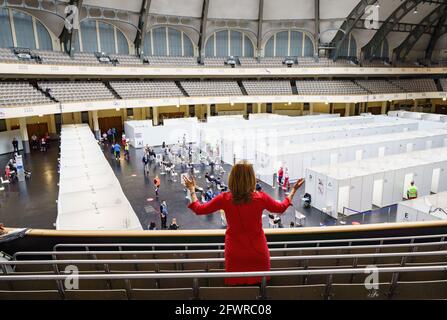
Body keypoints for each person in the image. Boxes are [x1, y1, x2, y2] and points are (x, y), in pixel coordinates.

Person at [184, 160, 304, 286]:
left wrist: (192, 190)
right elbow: (281, 207)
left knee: (237, 292)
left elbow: (199, 209)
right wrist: (293, 190)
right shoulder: (260, 198)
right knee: (261, 289)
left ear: (232, 178)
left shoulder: (224, 198)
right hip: (258, 251)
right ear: (251, 178)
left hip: (234, 252)